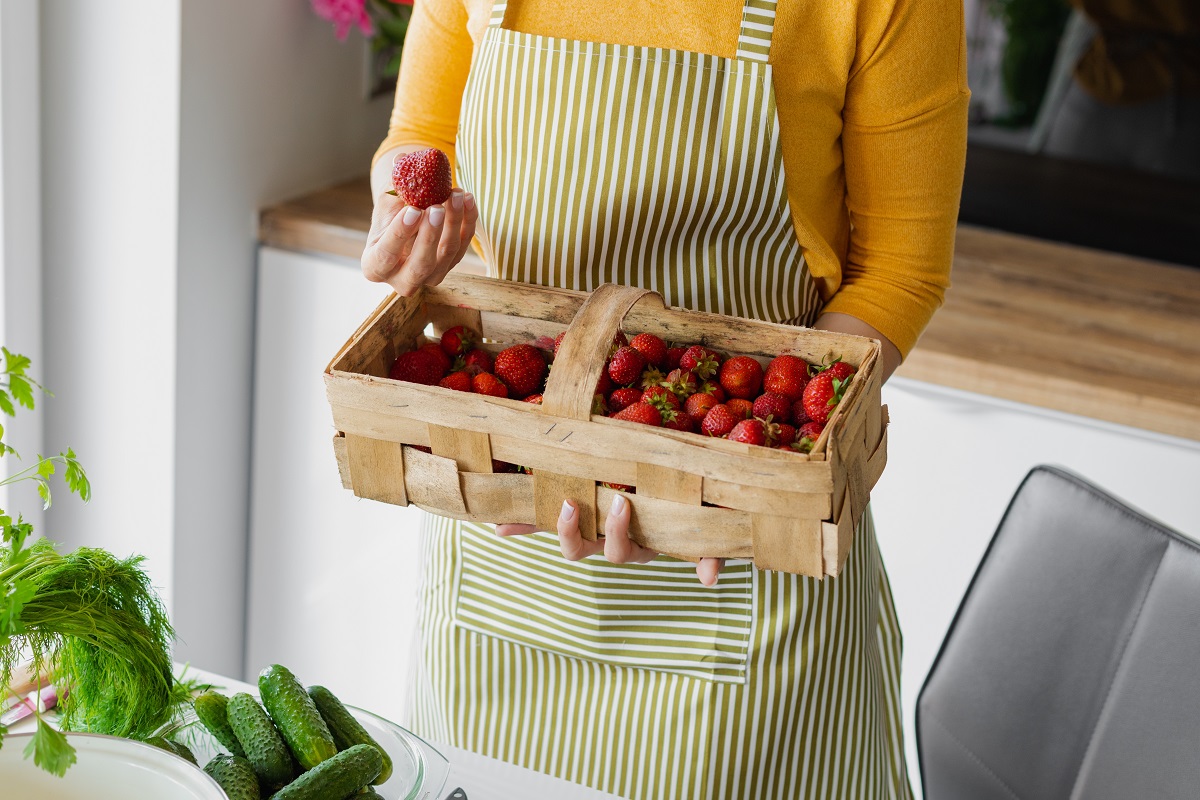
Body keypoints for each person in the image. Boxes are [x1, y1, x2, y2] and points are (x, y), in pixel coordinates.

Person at [361, 0, 968, 796]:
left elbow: (900, 270)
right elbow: (418, 139)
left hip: (752, 563)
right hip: (503, 536)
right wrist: (411, 219)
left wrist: (716, 472)